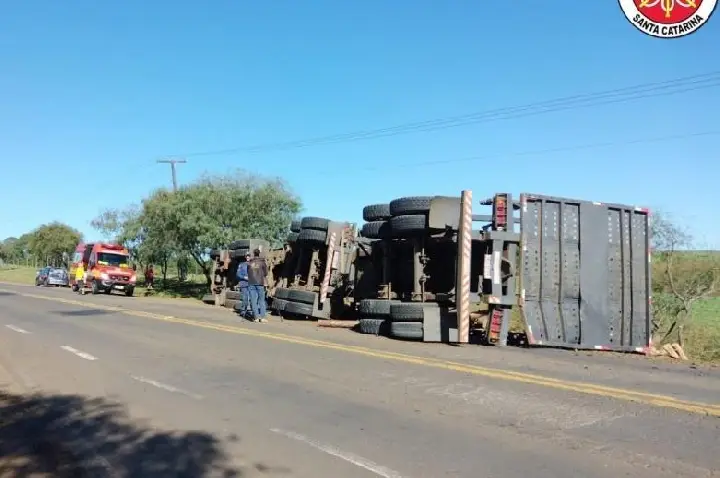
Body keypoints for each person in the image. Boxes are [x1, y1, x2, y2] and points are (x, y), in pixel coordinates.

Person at [246, 248, 268, 322]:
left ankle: (256, 317)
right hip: (260, 283)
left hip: (251, 283)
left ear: (253, 254)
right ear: (259, 254)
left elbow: (248, 272)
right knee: (261, 300)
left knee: (253, 300)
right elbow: (266, 273)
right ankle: (263, 317)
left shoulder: (249, 263)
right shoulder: (262, 262)